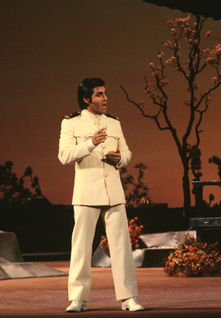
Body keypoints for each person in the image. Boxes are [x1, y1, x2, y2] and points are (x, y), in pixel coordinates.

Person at [59, 78, 144, 312]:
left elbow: (126, 152)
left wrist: (121, 159)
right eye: (99, 94)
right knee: (81, 247)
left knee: (121, 247)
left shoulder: (114, 123)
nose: (105, 98)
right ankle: (78, 298)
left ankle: (129, 298)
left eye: (105, 93)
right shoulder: (71, 123)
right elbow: (64, 156)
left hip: (113, 193)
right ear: (87, 99)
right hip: (86, 193)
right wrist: (90, 144)